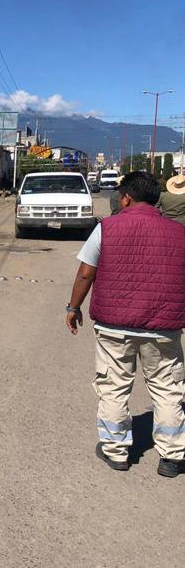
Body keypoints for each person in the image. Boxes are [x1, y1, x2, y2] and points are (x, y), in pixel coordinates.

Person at [66, 171, 185, 478]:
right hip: (163, 327)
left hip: (114, 326)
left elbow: (85, 273)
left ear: (127, 198)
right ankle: (172, 456)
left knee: (114, 388)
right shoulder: (179, 232)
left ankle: (115, 451)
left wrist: (73, 307)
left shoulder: (107, 228)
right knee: (168, 389)